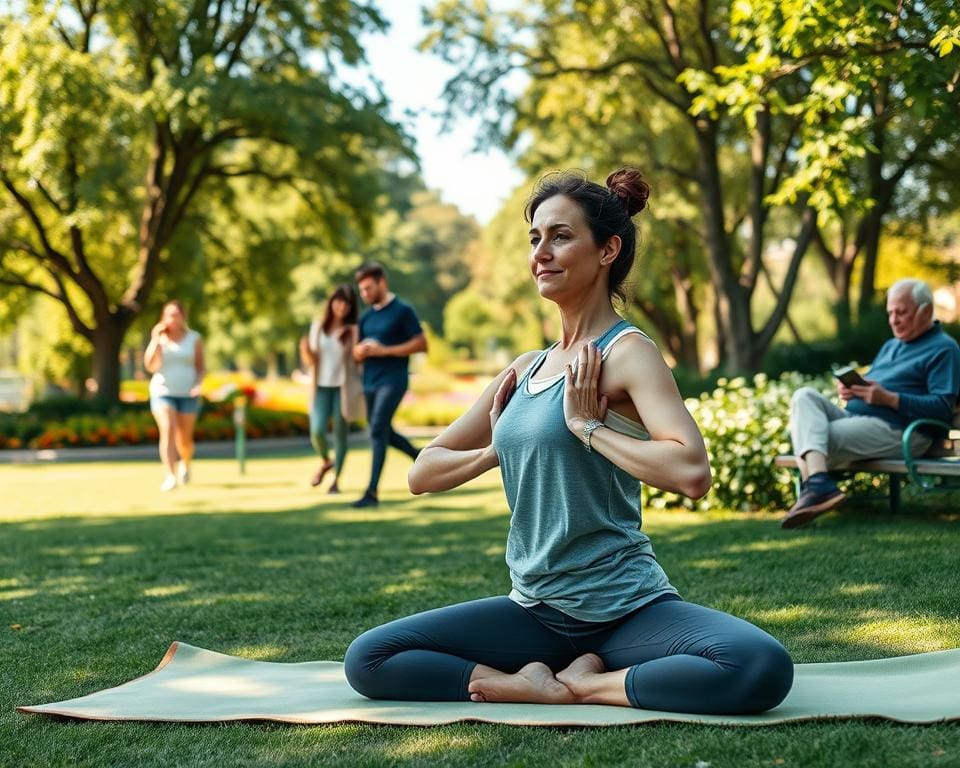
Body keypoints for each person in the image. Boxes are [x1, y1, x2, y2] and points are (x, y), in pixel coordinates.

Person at [343, 169, 794, 715]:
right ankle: (528, 682)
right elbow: (422, 472)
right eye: (535, 238)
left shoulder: (628, 353)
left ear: (608, 249)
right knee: (370, 657)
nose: (542, 253)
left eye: (560, 236)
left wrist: (589, 428)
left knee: (758, 666)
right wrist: (496, 451)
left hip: (628, 609)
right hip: (534, 612)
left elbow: (691, 472)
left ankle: (583, 684)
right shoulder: (526, 369)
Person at [781, 278, 960, 529]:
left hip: (903, 430)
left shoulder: (944, 349)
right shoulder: (891, 346)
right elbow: (876, 384)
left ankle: (816, 489)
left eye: (901, 312)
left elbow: (942, 407)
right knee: (804, 396)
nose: (893, 320)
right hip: (859, 421)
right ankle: (819, 484)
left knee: (813, 438)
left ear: (926, 311)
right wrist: (855, 389)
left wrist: (890, 399)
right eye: (890, 313)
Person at [351, 263, 427, 508]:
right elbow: (354, 352)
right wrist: (359, 352)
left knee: (377, 429)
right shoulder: (367, 317)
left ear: (382, 282)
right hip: (370, 381)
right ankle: (423, 459)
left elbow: (421, 344)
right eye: (361, 291)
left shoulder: (402, 311)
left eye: (369, 288)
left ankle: (371, 492)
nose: (365, 294)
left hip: (393, 380)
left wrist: (386, 351)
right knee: (383, 431)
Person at [299, 284, 360, 494]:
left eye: (346, 303)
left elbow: (357, 360)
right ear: (331, 302)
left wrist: (354, 340)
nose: (341, 306)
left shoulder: (353, 330)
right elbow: (312, 361)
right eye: (338, 301)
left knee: (340, 435)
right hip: (321, 387)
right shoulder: (318, 326)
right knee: (316, 431)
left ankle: (336, 481)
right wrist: (305, 350)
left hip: (342, 388)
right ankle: (326, 460)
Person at [144, 300, 205, 492]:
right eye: (168, 314)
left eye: (175, 314)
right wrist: (155, 339)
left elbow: (200, 366)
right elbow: (150, 366)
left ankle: (185, 464)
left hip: (188, 393)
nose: (172, 318)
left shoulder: (194, 338)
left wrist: (197, 385)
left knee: (184, 439)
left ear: (182, 317)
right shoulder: (160, 340)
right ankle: (170, 475)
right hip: (163, 392)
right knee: (168, 429)